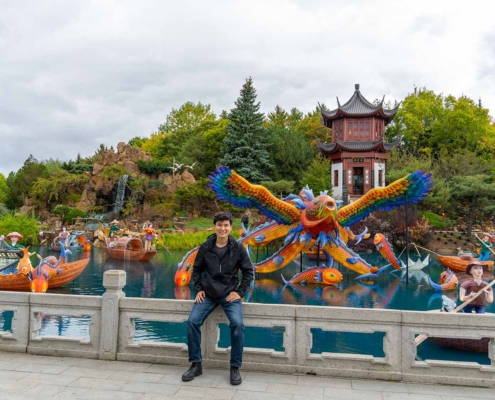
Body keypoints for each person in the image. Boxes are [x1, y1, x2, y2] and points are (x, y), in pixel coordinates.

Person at [182, 211, 253, 385]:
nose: (222, 228)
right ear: (214, 226)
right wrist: (198, 289)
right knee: (192, 321)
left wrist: (240, 292)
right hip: (209, 294)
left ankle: (235, 367)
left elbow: (248, 271)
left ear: (230, 227)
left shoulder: (237, 248)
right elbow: (196, 270)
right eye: (219, 225)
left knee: (237, 324)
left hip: (230, 294)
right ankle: (196, 364)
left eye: (226, 225)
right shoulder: (206, 247)